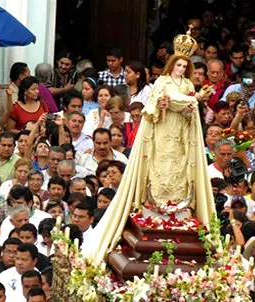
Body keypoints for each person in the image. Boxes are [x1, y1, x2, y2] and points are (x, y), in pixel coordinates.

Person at [82, 31, 216, 264]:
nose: (182, 69)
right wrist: (184, 101)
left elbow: (188, 109)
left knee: (179, 167)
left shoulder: (186, 84)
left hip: (181, 133)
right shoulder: (162, 82)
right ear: (172, 64)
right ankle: (156, 206)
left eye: (185, 66)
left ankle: (178, 206)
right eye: (179, 65)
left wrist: (189, 106)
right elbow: (153, 105)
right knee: (161, 165)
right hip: (162, 130)